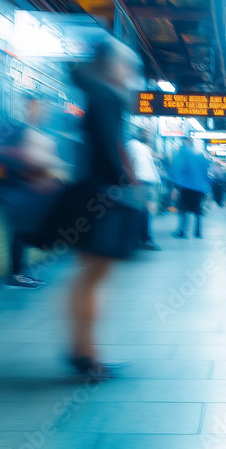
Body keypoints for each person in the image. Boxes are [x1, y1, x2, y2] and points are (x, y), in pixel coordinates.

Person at [45, 39, 141, 379]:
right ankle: (86, 354)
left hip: (87, 194)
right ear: (111, 66)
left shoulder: (91, 93)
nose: (130, 74)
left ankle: (82, 349)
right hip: (99, 198)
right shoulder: (106, 98)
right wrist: (124, 181)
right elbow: (106, 149)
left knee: (89, 276)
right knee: (94, 278)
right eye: (127, 67)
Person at [6, 95, 65, 288]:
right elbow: (19, 159)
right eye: (40, 108)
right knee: (20, 232)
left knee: (23, 232)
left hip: (28, 191)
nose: (44, 112)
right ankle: (16, 275)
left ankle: (20, 273)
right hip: (18, 190)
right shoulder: (17, 129)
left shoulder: (33, 131)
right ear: (28, 107)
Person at [126, 126, 162, 251]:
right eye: (146, 134)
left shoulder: (142, 147)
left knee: (143, 212)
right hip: (141, 182)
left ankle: (142, 239)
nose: (148, 136)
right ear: (140, 134)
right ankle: (145, 240)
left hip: (146, 182)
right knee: (142, 212)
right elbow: (130, 163)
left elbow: (151, 163)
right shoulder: (132, 145)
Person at [169, 137, 211, 238]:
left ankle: (182, 231)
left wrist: (175, 186)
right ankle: (197, 232)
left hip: (186, 186)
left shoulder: (181, 152)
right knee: (197, 210)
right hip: (199, 187)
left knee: (183, 209)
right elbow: (206, 170)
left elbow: (178, 168)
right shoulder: (200, 155)